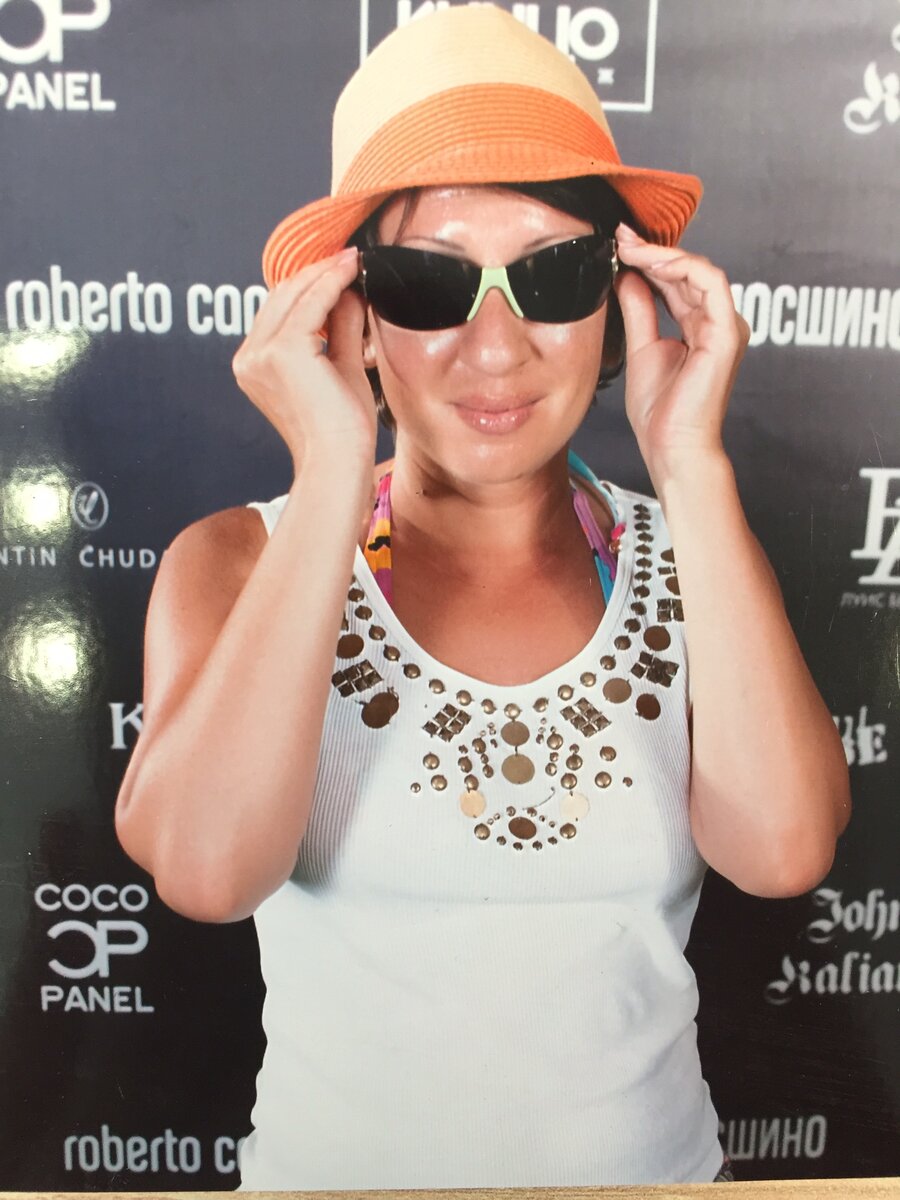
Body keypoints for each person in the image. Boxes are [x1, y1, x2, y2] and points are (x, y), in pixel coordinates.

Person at [114, 5, 851, 1189]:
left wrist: (691, 466)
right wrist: (333, 470)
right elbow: (207, 871)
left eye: (555, 273)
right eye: (427, 281)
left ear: (618, 300)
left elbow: (781, 851)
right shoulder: (237, 560)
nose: (497, 347)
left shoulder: (690, 552)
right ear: (350, 311)